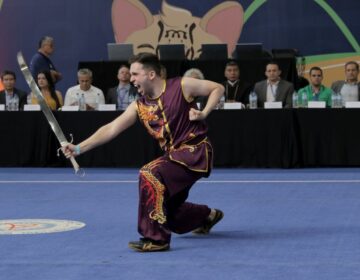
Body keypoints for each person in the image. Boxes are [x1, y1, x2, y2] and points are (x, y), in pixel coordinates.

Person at [63, 53, 225, 252]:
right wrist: (78, 148)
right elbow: (112, 128)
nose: (131, 79)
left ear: (150, 74)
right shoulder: (139, 105)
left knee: (149, 173)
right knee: (169, 212)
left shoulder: (181, 85)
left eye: (135, 74)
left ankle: (156, 239)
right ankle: (208, 216)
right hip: (174, 158)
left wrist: (204, 112)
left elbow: (218, 88)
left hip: (195, 151)